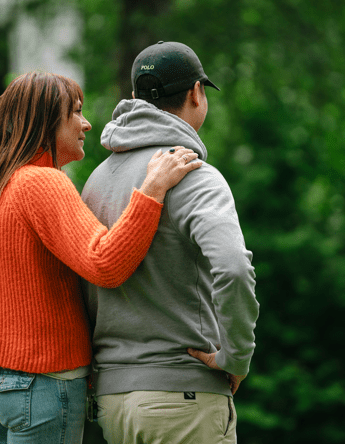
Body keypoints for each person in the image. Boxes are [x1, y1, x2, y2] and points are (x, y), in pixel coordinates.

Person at [0, 71, 202, 444]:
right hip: (39, 382)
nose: (86, 123)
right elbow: (105, 263)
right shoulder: (42, 182)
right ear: (46, 120)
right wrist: (152, 189)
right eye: (75, 112)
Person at [80, 41, 259, 443]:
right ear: (197, 93)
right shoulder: (194, 174)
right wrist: (236, 357)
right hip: (184, 400)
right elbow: (232, 267)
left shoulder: (96, 182)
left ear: (134, 99)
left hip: (113, 402)